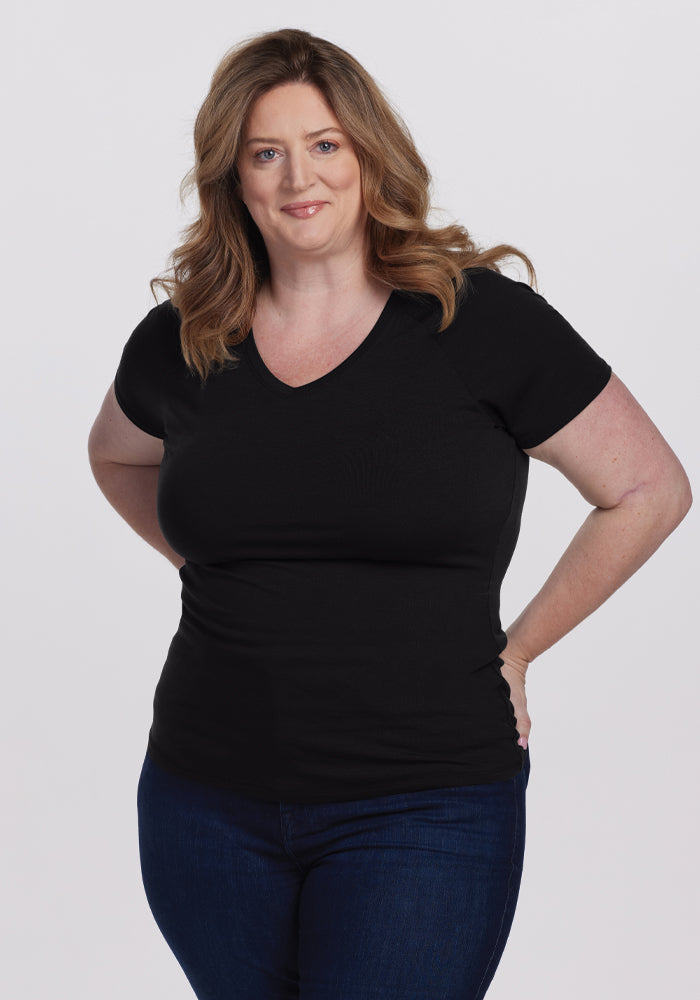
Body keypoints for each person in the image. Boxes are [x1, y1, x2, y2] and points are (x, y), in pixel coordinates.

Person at [87, 26, 692, 1000]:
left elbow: (647, 489)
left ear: (370, 152)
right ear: (230, 177)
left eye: (324, 143)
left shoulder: (478, 323)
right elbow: (116, 452)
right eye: (265, 152)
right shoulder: (184, 338)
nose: (299, 178)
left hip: (425, 802)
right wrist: (203, 561)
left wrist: (520, 648)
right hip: (206, 800)